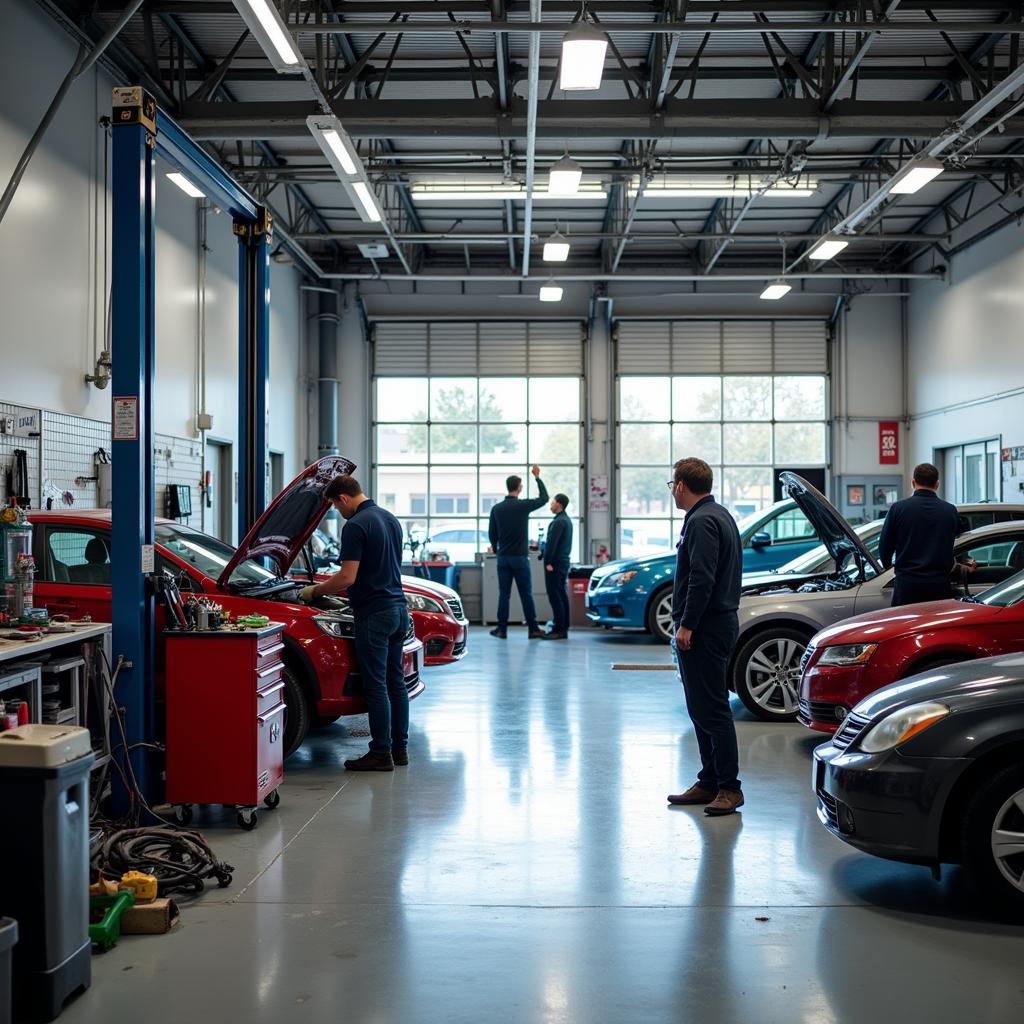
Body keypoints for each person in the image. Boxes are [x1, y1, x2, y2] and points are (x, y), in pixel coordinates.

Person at [299, 475, 410, 772]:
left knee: (376, 686)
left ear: (343, 499)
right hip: (399, 610)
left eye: (335, 506)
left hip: (375, 614)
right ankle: (400, 750)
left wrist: (314, 591)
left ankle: (380, 753)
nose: (338, 511)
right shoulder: (389, 518)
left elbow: (348, 577)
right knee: (395, 683)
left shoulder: (356, 525)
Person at [666, 458, 744, 817]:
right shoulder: (719, 514)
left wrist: (687, 624)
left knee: (712, 709)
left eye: (672, 485)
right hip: (715, 624)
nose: (672, 492)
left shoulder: (701, 521)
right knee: (700, 708)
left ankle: (730, 787)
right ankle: (709, 780)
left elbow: (702, 578)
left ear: (681, 485)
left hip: (706, 629)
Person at [878, 463, 962, 607]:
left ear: (913, 483)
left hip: (907, 585)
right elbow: (959, 537)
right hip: (939, 586)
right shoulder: (949, 511)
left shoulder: (898, 509)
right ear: (937, 484)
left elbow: (884, 547)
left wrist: (888, 567)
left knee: (906, 627)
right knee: (937, 627)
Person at [488, 465, 549, 639]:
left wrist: (496, 547)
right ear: (519, 487)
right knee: (526, 594)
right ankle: (533, 628)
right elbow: (544, 498)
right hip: (520, 558)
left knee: (504, 595)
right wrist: (537, 477)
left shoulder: (497, 509)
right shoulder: (523, 506)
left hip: (503, 558)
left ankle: (501, 629)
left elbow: (492, 533)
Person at [542, 493, 573, 639]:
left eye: (553, 502)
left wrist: (547, 562)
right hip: (562, 562)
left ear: (559, 504)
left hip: (555, 565)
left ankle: (559, 630)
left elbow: (552, 545)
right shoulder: (566, 520)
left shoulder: (558, 522)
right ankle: (563, 626)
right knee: (561, 595)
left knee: (555, 596)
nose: (551, 504)